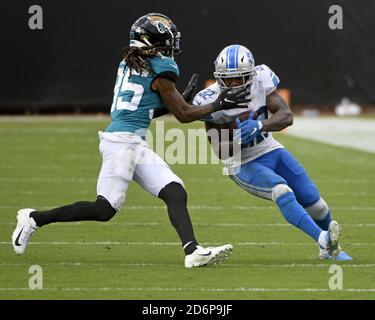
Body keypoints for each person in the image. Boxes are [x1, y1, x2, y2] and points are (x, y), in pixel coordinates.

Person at [12, 14, 250, 268]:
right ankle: (34, 218)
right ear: (153, 42)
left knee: (174, 190)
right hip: (122, 143)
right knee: (105, 209)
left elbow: (145, 109)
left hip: (131, 141)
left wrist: (178, 102)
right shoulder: (162, 68)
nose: (171, 47)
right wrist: (217, 103)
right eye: (167, 41)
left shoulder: (129, 62)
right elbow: (184, 116)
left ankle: (192, 251)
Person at [193, 44, 352, 260]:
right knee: (281, 191)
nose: (231, 83)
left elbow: (287, 115)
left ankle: (331, 250)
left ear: (250, 75)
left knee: (316, 204)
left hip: (271, 149)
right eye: (226, 78)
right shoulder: (209, 99)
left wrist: (261, 126)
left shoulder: (262, 79)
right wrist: (237, 141)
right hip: (243, 162)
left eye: (238, 78)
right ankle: (322, 240)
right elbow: (219, 150)